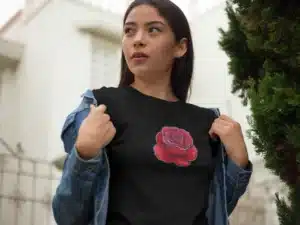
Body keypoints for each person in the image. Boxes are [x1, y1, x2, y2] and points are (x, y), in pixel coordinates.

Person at [52, 0, 252, 225]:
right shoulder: (100, 108)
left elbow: (216, 211)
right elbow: (67, 217)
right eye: (129, 31)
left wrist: (239, 162)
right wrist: (84, 153)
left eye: (153, 30)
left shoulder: (208, 124)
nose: (137, 40)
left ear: (180, 47)